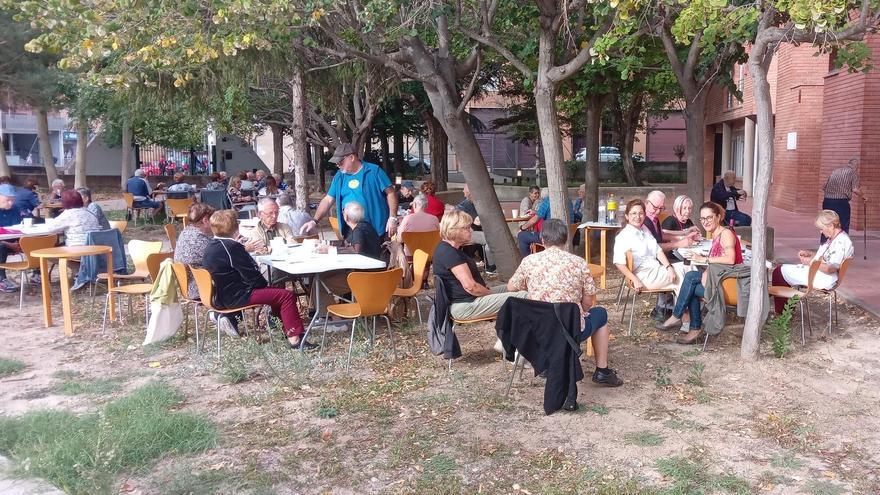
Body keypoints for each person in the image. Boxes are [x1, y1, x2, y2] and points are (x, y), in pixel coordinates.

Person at [507, 219, 623, 386]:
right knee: (601, 314)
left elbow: (511, 287)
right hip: (570, 329)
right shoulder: (579, 263)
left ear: (542, 239)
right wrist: (581, 310)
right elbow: (588, 302)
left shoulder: (529, 261)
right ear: (566, 239)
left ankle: (546, 361)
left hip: (538, 330)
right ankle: (602, 370)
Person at [202, 209, 316, 350]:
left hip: (221, 295)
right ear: (235, 227)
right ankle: (295, 339)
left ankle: (284, 329)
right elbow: (254, 278)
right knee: (286, 295)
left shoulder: (211, 245)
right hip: (237, 295)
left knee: (278, 293)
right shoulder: (232, 247)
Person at [656, 202, 743, 344]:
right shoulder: (717, 234)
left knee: (691, 284)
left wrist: (703, 259)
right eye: (702, 219)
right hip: (719, 280)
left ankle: (682, 319)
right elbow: (718, 264)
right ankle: (689, 325)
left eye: (709, 218)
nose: (705, 222)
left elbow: (730, 259)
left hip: (729, 286)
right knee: (690, 278)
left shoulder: (726, 234)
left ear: (718, 217)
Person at [433, 209, 526, 321]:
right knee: (524, 297)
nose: (471, 230)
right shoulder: (449, 253)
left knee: (517, 286)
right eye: (467, 228)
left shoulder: (448, 249)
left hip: (472, 299)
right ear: (455, 230)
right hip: (466, 305)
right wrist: (490, 294)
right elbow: (471, 287)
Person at [299, 142, 397, 239]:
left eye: (340, 161)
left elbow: (391, 193)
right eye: (337, 162)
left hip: (376, 229)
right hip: (350, 230)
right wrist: (314, 221)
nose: (338, 165)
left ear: (352, 157)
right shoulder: (339, 176)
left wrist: (392, 218)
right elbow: (328, 200)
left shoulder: (374, 171)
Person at [771, 210, 853, 314]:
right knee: (782, 270)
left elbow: (830, 268)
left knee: (778, 272)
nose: (821, 232)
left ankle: (782, 313)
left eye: (821, 228)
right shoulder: (838, 237)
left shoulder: (840, 243)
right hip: (825, 276)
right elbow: (826, 258)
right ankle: (786, 309)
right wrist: (810, 254)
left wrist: (810, 262)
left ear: (831, 226)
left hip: (824, 278)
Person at [644, 190, 699, 320]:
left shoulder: (653, 219)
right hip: (652, 263)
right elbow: (654, 247)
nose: (658, 211)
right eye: (655, 207)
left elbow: (662, 235)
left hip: (658, 259)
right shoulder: (645, 222)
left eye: (661, 208)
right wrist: (680, 243)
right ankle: (671, 310)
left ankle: (678, 310)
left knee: (688, 268)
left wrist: (684, 235)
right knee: (686, 271)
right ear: (646, 203)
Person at [613, 199, 679, 296]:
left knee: (686, 270)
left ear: (644, 215)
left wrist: (668, 267)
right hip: (643, 277)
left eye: (641, 213)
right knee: (685, 274)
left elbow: (657, 250)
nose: (637, 217)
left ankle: (674, 304)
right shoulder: (623, 236)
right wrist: (635, 280)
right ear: (627, 216)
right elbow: (619, 263)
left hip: (656, 270)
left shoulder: (644, 229)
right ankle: (677, 305)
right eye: (633, 213)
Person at [174, 203, 215, 299]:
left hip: (188, 286)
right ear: (205, 220)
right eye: (213, 219)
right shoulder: (200, 240)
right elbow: (222, 259)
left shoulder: (186, 232)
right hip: (202, 289)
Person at [516, 189, 573, 257]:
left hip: (552, 236)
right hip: (568, 233)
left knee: (522, 235)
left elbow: (535, 219)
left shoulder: (548, 201)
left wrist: (522, 228)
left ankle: (527, 259)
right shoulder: (568, 200)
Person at [821, 157, 864, 240]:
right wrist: (863, 196)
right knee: (843, 224)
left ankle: (824, 243)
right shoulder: (853, 173)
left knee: (827, 223)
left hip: (827, 201)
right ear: (856, 166)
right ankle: (841, 244)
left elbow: (823, 187)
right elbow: (855, 189)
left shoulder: (835, 171)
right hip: (841, 202)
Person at [456, 184, 495, 274]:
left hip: (473, 231)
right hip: (468, 233)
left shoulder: (472, 204)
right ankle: (490, 266)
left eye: (464, 189)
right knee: (489, 239)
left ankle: (489, 264)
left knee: (489, 237)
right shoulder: (465, 205)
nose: (463, 191)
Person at [0, 184, 21, 292]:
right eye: (8, 200)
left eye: (13, 200)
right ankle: (1, 279)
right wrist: (10, 244)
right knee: (1, 247)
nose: (11, 203)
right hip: (3, 243)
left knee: (35, 241)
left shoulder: (15, 208)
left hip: (14, 240)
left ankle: (37, 273)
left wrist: (20, 242)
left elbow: (19, 227)